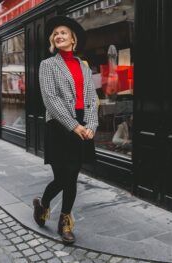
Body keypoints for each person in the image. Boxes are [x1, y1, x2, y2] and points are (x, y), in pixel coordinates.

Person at [33, 16, 98, 244]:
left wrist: (90, 125)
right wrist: (75, 126)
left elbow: (92, 98)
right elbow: (50, 99)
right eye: (55, 34)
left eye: (63, 33)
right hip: (59, 126)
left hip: (82, 123)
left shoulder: (84, 66)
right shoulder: (47, 65)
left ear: (73, 39)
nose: (59, 36)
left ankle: (64, 222)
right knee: (62, 176)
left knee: (73, 176)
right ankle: (43, 204)